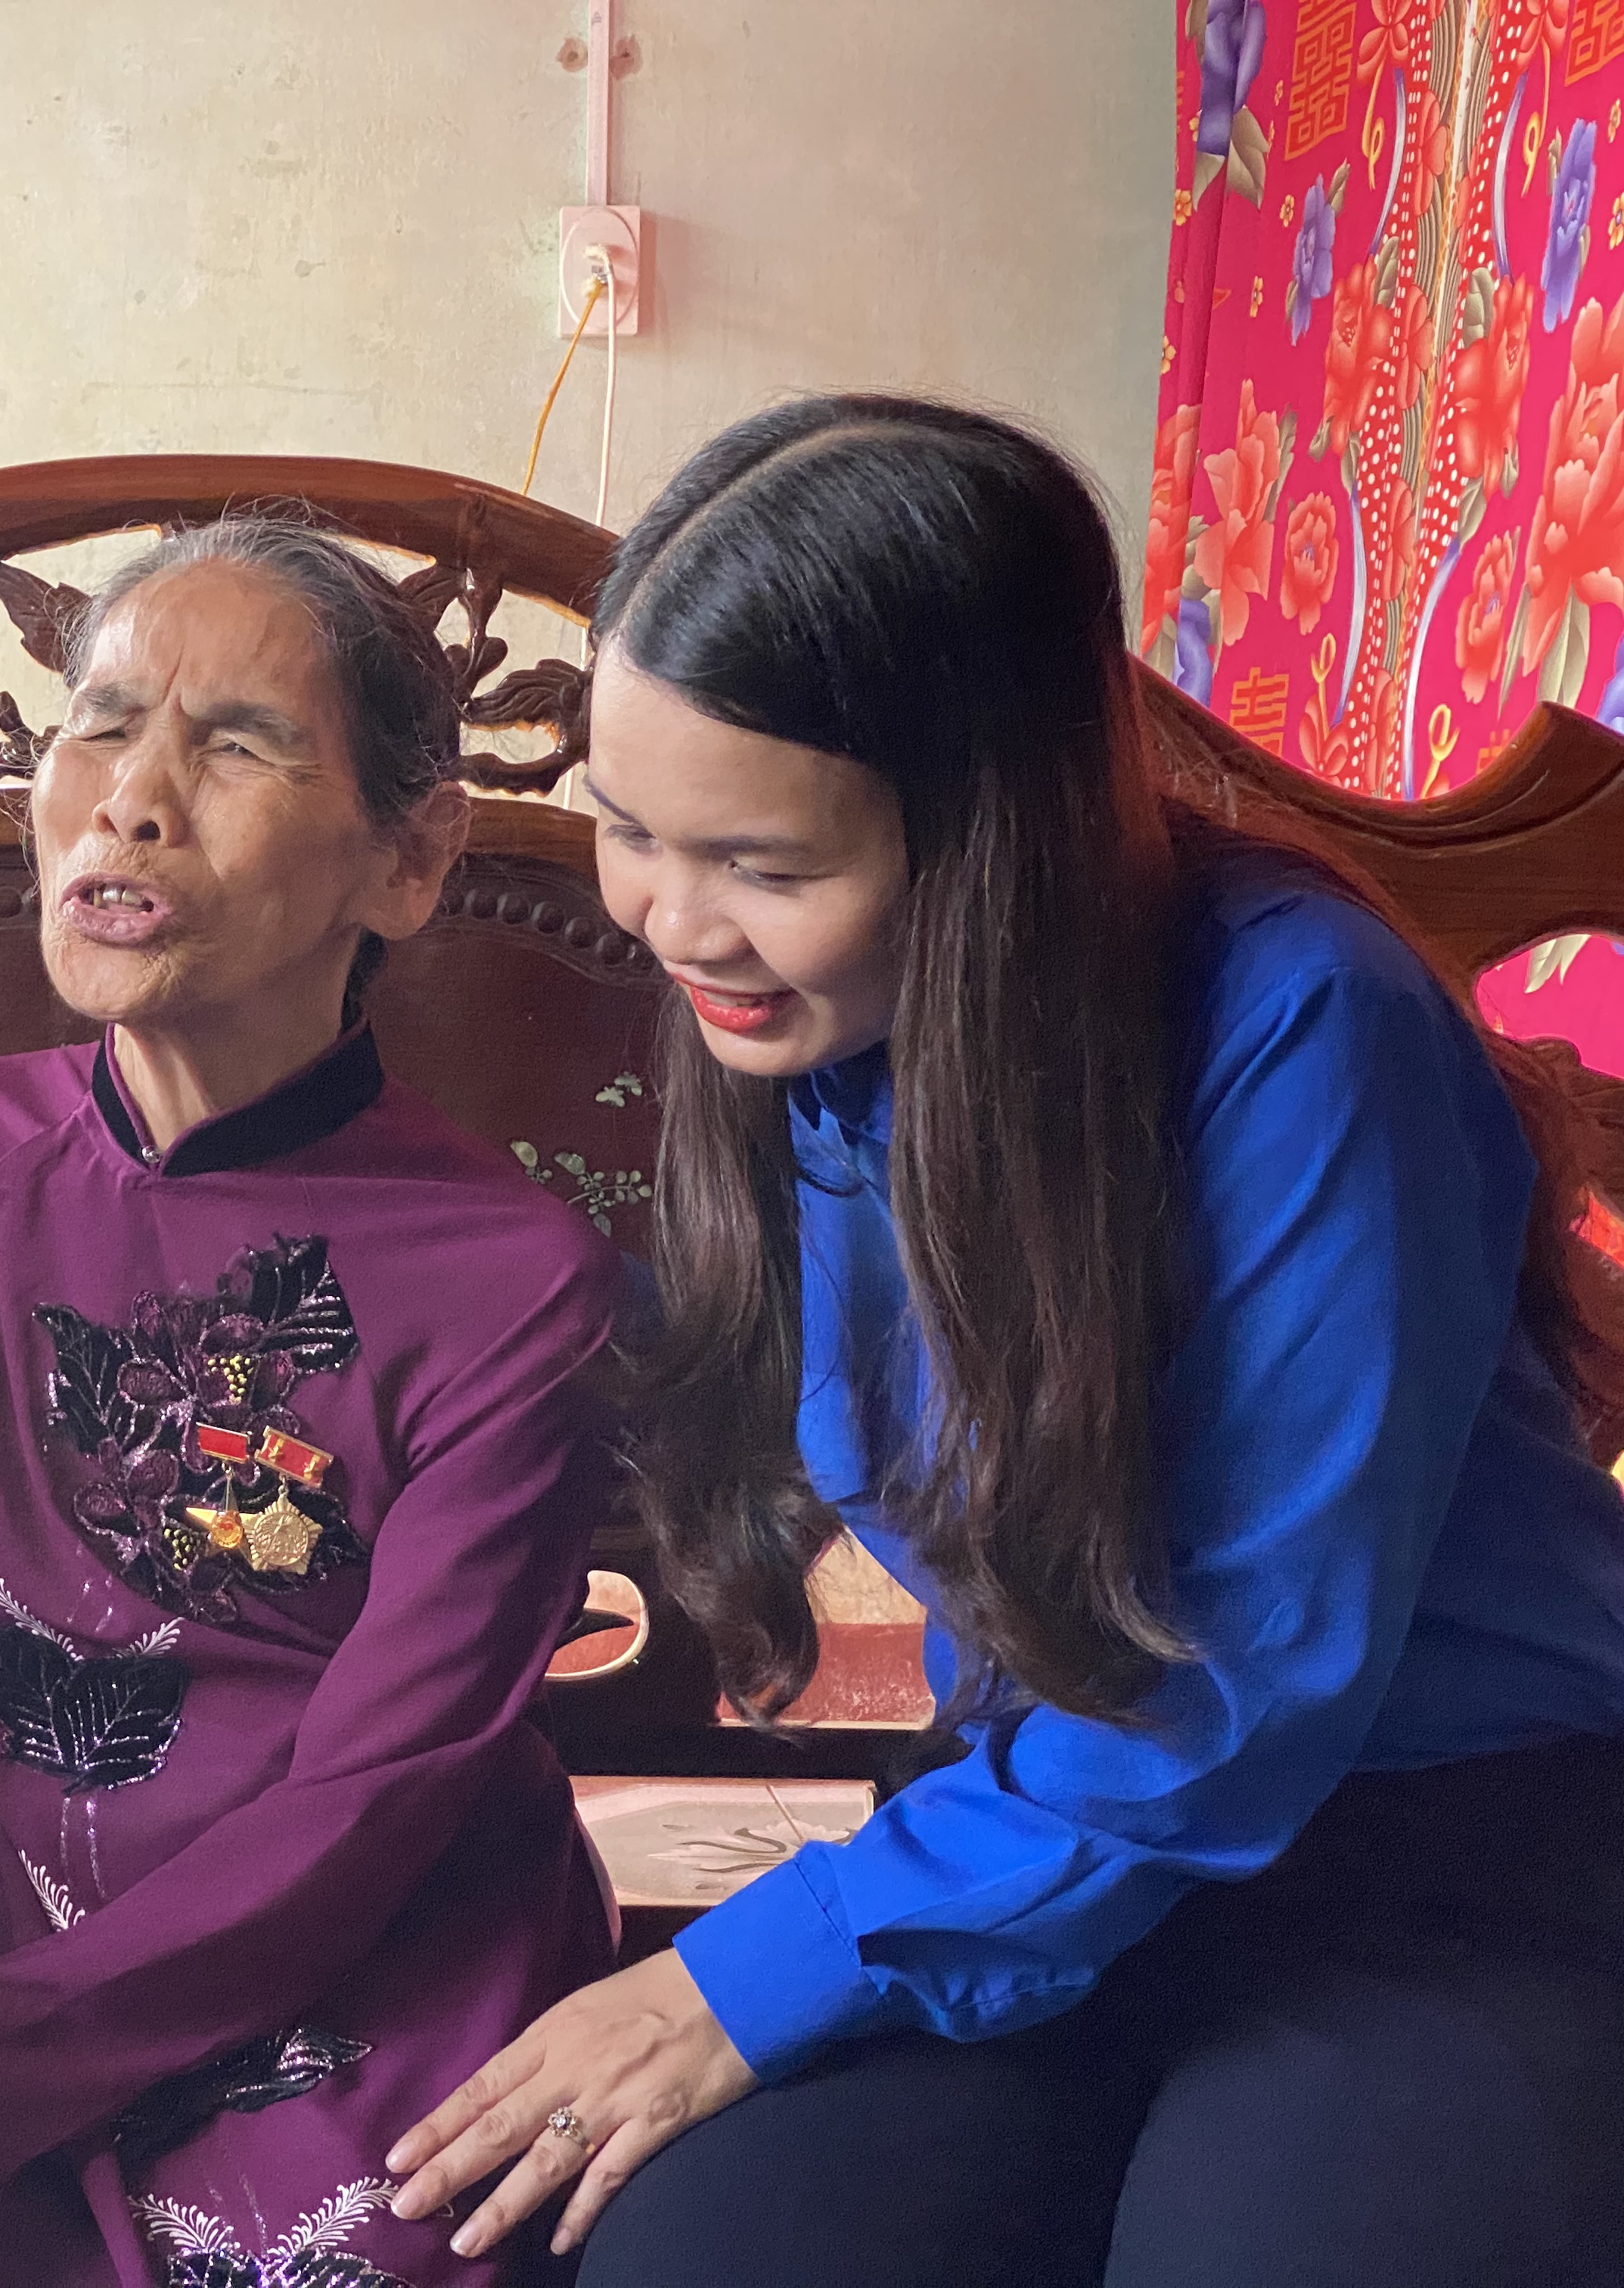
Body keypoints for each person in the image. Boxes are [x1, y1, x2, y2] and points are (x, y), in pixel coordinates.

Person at [383, 396, 1624, 2287]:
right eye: (628, 830)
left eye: (761, 864)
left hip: (1436, 1853)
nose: (672, 920)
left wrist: (752, 1974)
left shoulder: (1306, 1027)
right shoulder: (808, 1038)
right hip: (1050, 1833)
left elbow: (1233, 1690)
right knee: (702, 2255)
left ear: (990, 837)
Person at [0, 518, 626, 2283]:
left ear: (409, 858)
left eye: (235, 746)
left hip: (365, 1977)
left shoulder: (518, 1279)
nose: (131, 803)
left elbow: (370, 1810)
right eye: (100, 725)